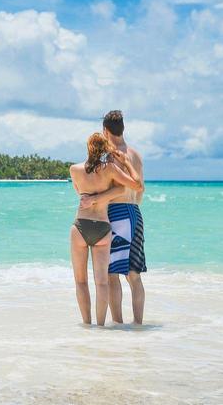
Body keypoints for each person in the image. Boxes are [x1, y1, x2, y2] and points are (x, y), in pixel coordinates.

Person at [69, 133, 143, 326]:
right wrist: (126, 163)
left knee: (81, 281)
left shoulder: (74, 169)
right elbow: (134, 185)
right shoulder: (110, 169)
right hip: (103, 227)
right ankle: (101, 326)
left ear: (88, 148)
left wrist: (92, 197)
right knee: (102, 282)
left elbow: (79, 192)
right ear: (104, 149)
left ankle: (87, 324)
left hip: (80, 226)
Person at [102, 110, 147, 325]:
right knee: (134, 274)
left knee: (112, 274)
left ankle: (118, 325)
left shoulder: (110, 156)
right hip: (135, 214)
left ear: (105, 131)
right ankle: (138, 324)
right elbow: (140, 189)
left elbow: (116, 189)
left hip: (116, 214)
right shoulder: (136, 155)